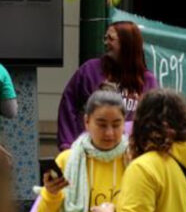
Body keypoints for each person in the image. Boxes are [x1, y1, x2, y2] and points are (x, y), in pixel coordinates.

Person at [58, 22, 158, 150]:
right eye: (105, 38)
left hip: (130, 153)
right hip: (90, 150)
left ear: (127, 43)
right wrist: (67, 144)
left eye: (111, 39)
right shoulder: (90, 70)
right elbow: (68, 106)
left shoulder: (147, 80)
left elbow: (154, 120)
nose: (106, 43)